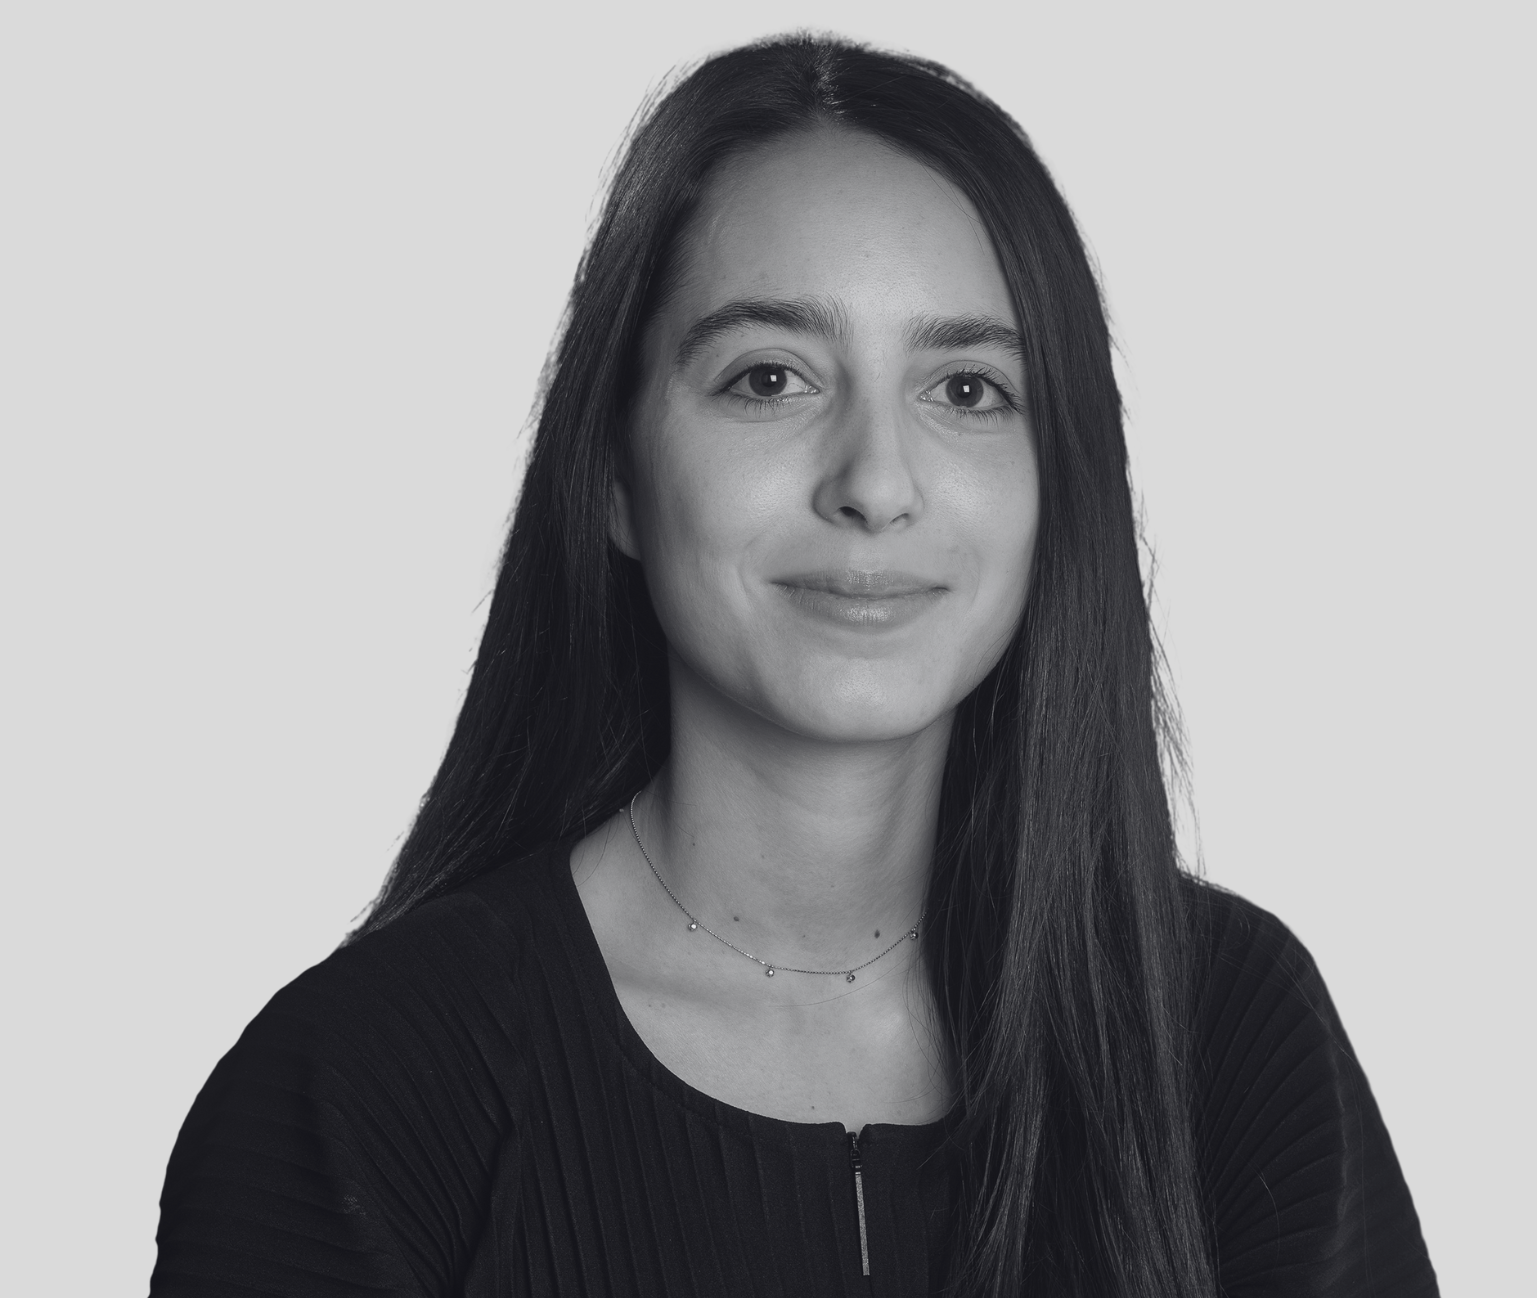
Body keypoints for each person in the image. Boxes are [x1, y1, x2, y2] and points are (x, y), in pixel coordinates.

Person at [149, 35, 1438, 1298]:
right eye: (770, 378)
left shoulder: (1226, 1030)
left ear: (1061, 482)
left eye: (968, 390)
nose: (875, 483)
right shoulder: (362, 1088)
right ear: (612, 475)